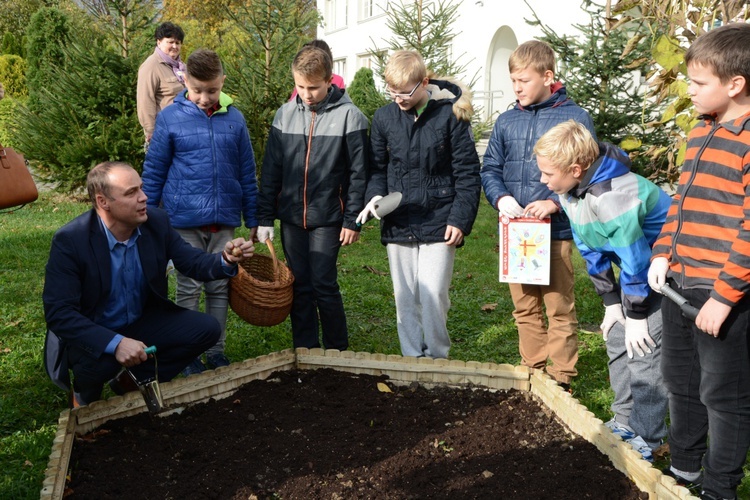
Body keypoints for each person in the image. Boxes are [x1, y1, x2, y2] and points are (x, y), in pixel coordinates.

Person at [42, 162, 254, 407]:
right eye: (131, 193)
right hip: (94, 329)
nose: (144, 198)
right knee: (102, 362)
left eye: (141, 189)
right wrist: (116, 343)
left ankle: (130, 382)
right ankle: (84, 396)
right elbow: (59, 313)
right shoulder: (71, 240)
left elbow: (191, 262)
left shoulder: (156, 222)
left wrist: (225, 259)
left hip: (140, 322)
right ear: (103, 202)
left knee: (206, 329)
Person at [647, 23, 750, 500]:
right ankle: (685, 467)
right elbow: (681, 204)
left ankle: (719, 486)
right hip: (678, 283)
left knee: (722, 396)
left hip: (721, 297)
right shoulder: (699, 132)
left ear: (735, 84)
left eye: (698, 83)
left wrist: (725, 298)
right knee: (680, 382)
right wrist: (663, 252)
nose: (689, 91)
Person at [534, 120, 670, 462]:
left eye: (548, 174)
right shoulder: (569, 191)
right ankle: (625, 420)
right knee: (616, 337)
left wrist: (636, 315)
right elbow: (589, 245)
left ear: (575, 169)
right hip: (637, 269)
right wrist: (612, 302)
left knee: (644, 348)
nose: (542, 181)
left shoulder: (611, 196)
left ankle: (649, 437)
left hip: (667, 267)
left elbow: (635, 257)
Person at [480, 40, 596, 389]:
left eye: (524, 80)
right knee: (525, 307)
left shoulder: (575, 118)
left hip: (556, 230)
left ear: (548, 77)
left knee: (558, 307)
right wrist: (500, 198)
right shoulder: (506, 121)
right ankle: (533, 370)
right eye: (513, 80)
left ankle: (561, 380)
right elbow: (490, 168)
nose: (516, 87)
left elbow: (587, 171)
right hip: (518, 233)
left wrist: (555, 202)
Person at [356, 50, 481, 359]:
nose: (398, 98)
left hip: (440, 219)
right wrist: (375, 197)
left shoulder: (450, 116)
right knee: (405, 296)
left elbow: (467, 173)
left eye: (406, 92)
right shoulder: (384, 117)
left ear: (424, 82)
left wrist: (460, 220)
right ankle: (412, 357)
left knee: (434, 293)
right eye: (392, 92)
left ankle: (438, 357)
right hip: (398, 220)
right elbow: (376, 168)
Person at [142, 49, 258, 373]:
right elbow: (154, 172)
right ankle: (188, 350)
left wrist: (254, 217)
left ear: (222, 81)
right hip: (183, 221)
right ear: (185, 82)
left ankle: (216, 351)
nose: (205, 97)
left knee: (220, 284)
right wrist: (148, 217)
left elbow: (247, 171)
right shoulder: (170, 118)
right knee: (189, 285)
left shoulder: (235, 119)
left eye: (212, 90)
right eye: (197, 90)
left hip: (223, 221)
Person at [257, 45, 368, 350]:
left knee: (323, 283)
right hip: (292, 217)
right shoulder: (284, 115)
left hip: (329, 217)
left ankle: (337, 350)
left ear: (329, 80)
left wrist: (353, 220)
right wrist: (265, 217)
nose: (306, 94)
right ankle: (305, 349)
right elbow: (271, 170)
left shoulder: (351, 117)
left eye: (314, 87)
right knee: (300, 284)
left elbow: (359, 174)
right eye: (300, 86)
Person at [137, 22, 187, 146]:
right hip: (164, 134)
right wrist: (151, 132)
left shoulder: (182, 67)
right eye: (170, 42)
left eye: (178, 43)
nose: (175, 46)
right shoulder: (151, 66)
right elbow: (145, 101)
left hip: (185, 132)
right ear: (159, 42)